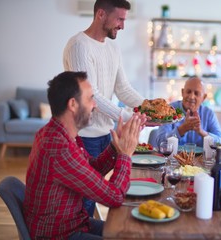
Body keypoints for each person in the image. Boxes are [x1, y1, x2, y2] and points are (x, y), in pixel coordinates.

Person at [23, 71, 142, 239]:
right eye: (90, 98)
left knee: (131, 232)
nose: (95, 105)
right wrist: (125, 155)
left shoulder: (62, 134)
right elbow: (114, 197)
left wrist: (117, 147)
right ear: (73, 104)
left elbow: (91, 169)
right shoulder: (58, 147)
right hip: (60, 234)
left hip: (76, 224)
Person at [63, 0, 146, 215]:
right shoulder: (78, 46)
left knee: (96, 193)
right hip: (84, 135)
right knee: (85, 201)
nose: (122, 26)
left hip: (106, 134)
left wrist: (148, 108)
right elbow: (94, 97)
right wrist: (129, 117)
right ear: (101, 14)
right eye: (119, 19)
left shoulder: (113, 48)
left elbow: (123, 89)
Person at [156, 76, 221, 147]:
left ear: (204, 97)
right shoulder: (169, 110)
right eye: (188, 92)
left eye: (196, 93)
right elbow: (160, 142)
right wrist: (182, 129)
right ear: (182, 92)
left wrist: (201, 132)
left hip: (201, 158)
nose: (191, 96)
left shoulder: (208, 114)